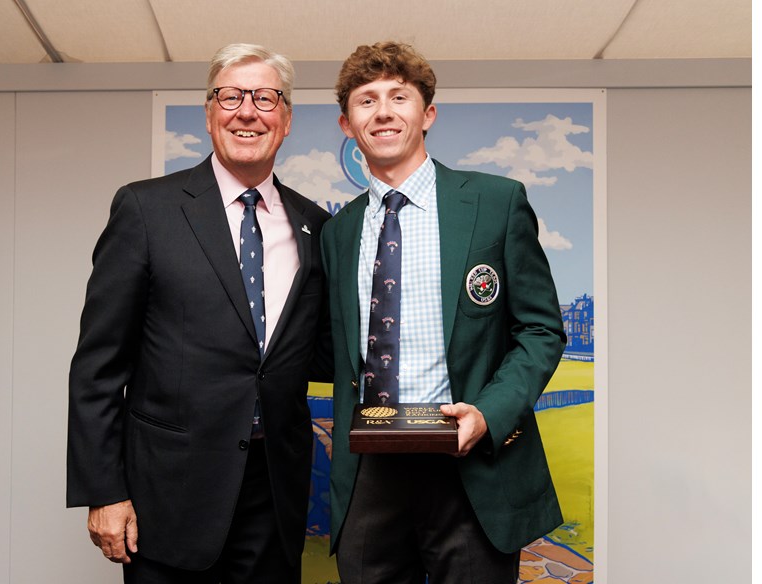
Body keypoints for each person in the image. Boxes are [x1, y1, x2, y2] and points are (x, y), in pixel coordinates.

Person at [67, 43, 332, 584]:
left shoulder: (314, 225)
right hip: (168, 496)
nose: (247, 111)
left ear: (286, 120)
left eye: (265, 97)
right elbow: (98, 366)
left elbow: (317, 351)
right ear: (209, 114)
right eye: (230, 96)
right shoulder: (146, 209)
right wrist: (104, 490)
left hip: (274, 496)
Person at [320, 41, 566, 584]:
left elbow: (541, 330)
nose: (382, 112)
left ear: (427, 113)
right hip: (370, 474)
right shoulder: (338, 232)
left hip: (470, 467)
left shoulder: (496, 202)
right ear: (346, 123)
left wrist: (489, 414)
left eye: (398, 97)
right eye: (366, 101)